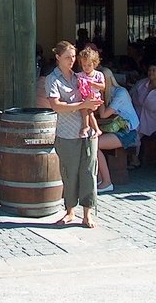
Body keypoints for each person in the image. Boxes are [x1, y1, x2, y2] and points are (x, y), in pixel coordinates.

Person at [46, 41, 101, 228]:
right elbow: (56, 106)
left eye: (73, 57)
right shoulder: (52, 79)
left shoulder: (80, 77)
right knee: (70, 174)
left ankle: (88, 214)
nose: (72, 60)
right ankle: (70, 211)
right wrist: (81, 105)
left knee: (89, 172)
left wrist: (92, 103)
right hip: (67, 133)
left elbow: (96, 90)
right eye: (68, 57)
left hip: (88, 133)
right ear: (58, 58)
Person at [95, 70, 140, 192]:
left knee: (94, 145)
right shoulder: (109, 93)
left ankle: (106, 182)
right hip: (115, 128)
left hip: (127, 132)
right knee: (91, 142)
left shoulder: (120, 93)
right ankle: (99, 178)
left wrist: (98, 94)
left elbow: (104, 114)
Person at [76, 46, 106, 138]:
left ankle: (86, 126)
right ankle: (96, 129)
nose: (86, 68)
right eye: (84, 65)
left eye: (89, 65)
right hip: (85, 97)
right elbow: (75, 81)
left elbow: (103, 87)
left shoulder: (98, 74)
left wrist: (93, 84)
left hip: (94, 97)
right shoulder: (81, 75)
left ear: (94, 64)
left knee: (84, 108)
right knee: (88, 112)